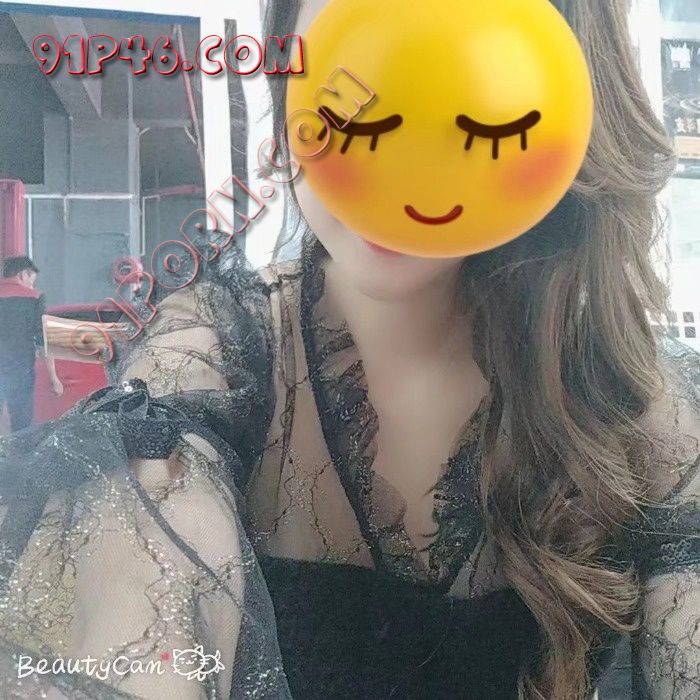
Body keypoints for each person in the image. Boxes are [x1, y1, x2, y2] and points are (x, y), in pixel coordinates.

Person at [0, 1, 697, 698]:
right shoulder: (207, 361)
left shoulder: (634, 408)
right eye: (364, 109)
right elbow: (135, 600)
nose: (403, 172)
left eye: (479, 121)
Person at [0, 256, 63, 432]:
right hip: (20, 371)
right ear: (23, 274)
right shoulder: (35, 297)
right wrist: (54, 377)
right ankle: (20, 449)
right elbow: (43, 340)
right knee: (21, 424)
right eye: (32, 280)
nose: (32, 285)